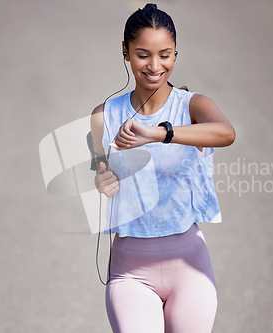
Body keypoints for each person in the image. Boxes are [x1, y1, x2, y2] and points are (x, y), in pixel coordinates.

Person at [90, 3, 235, 332]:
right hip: (130, 270)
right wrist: (103, 179)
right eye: (143, 54)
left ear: (175, 54)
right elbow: (100, 170)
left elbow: (227, 134)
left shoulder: (193, 107)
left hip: (189, 266)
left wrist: (159, 133)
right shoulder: (104, 115)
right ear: (125, 52)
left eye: (165, 54)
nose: (155, 66)